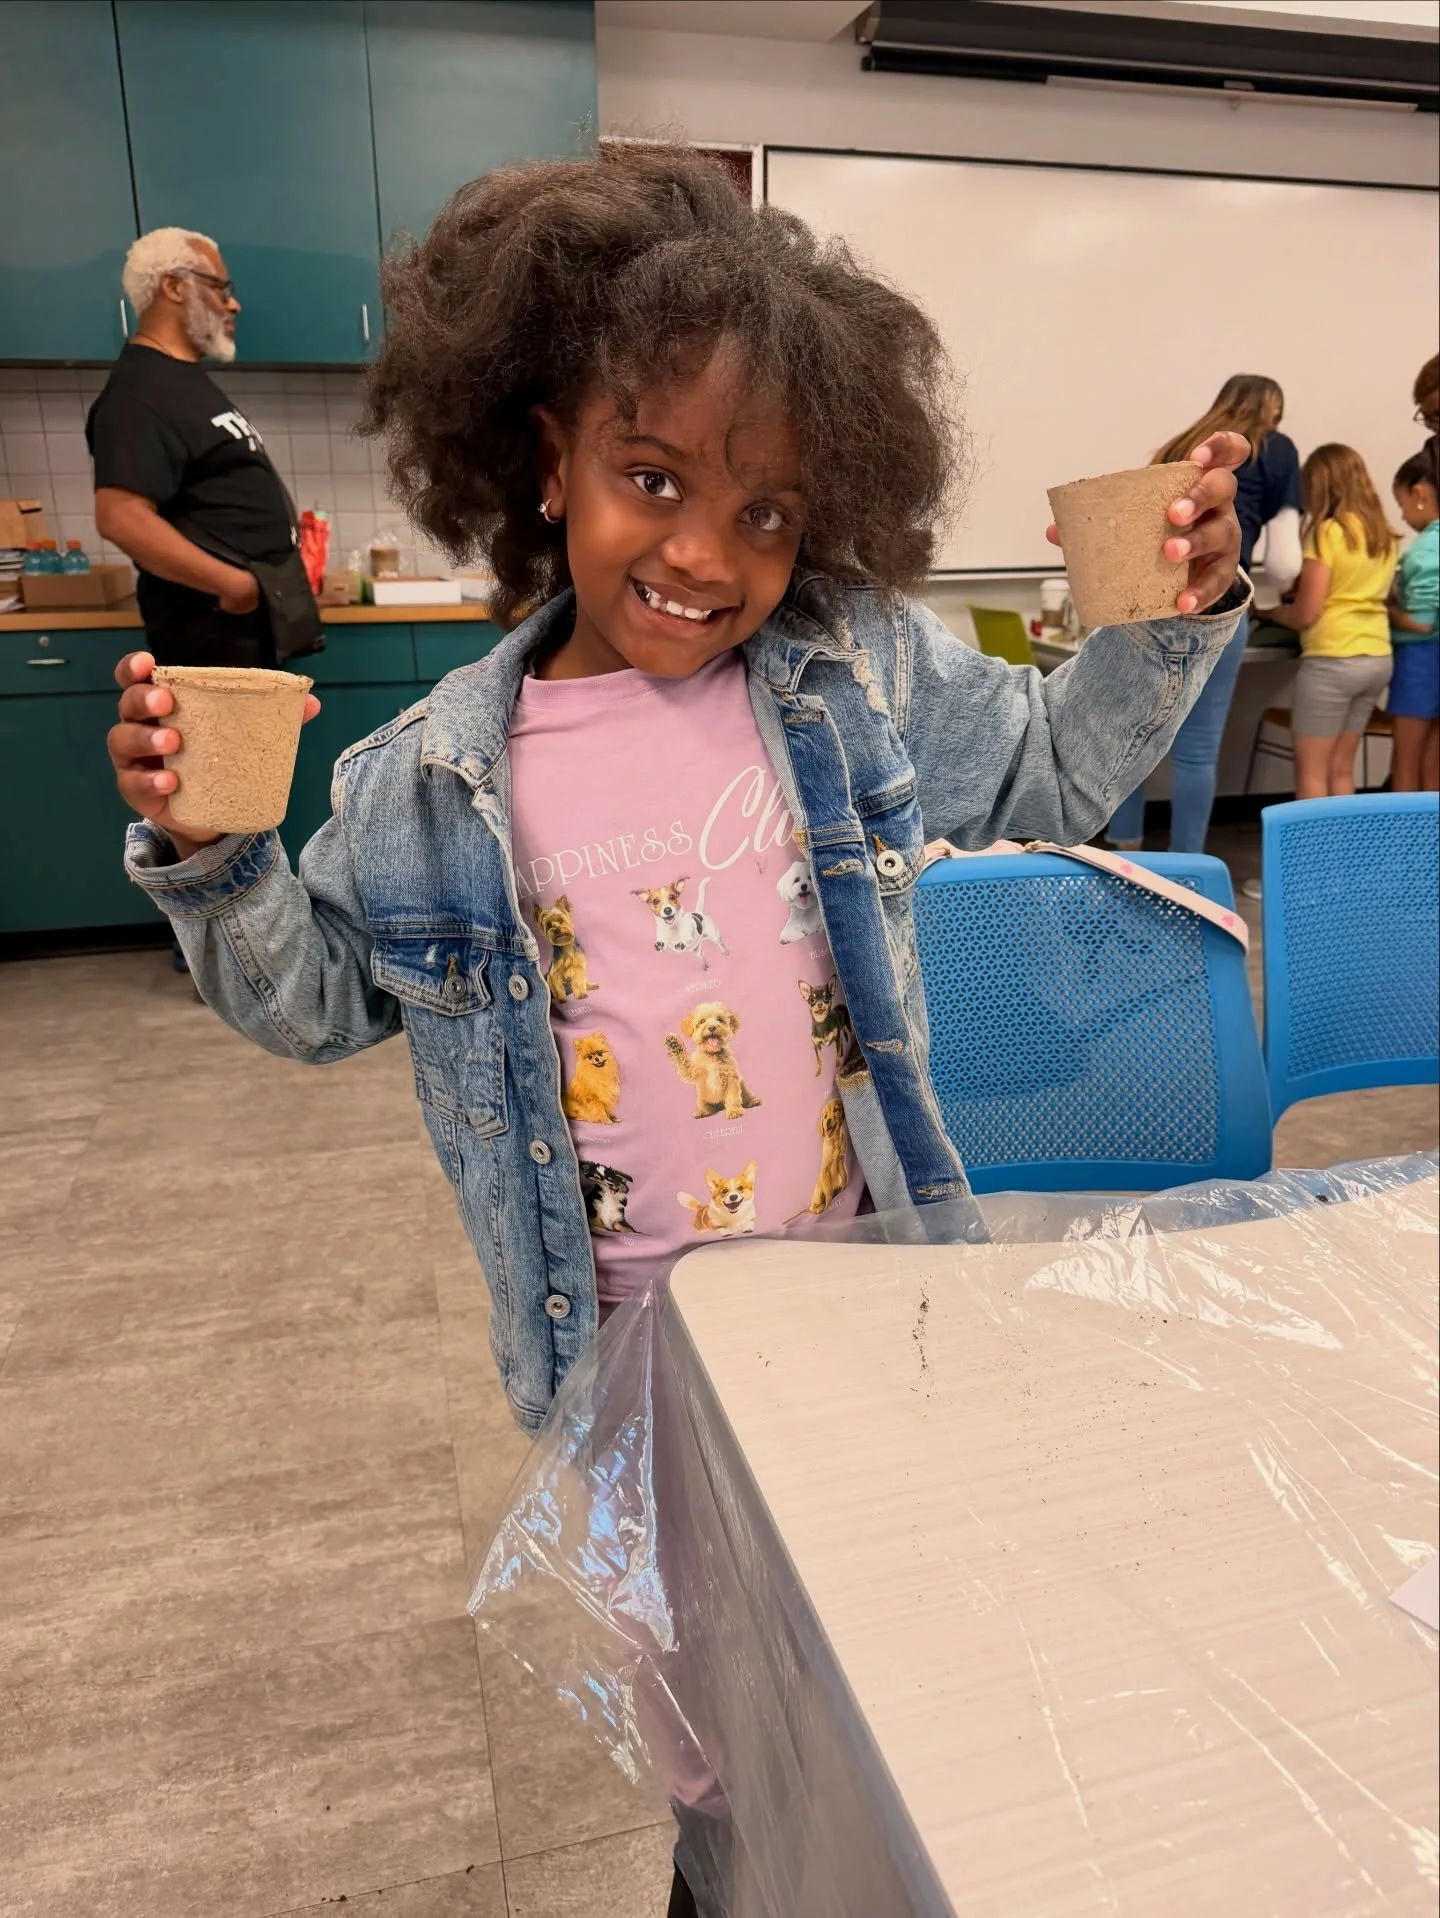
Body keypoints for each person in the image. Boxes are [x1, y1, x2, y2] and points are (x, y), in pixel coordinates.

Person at [104, 149, 1247, 1918]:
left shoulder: (850, 668)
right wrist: (207, 849)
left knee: (892, 1664)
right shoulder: (433, 779)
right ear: (546, 456)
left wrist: (1163, 623)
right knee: (725, 1755)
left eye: (770, 512)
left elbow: (1043, 767)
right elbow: (311, 990)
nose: (708, 554)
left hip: (875, 1297)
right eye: (653, 478)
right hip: (637, 1367)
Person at [86, 227, 321, 672]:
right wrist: (233, 585)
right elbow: (120, 515)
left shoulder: (182, 380)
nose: (233, 304)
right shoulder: (138, 391)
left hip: (245, 632)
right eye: (219, 287)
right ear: (172, 286)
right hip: (212, 636)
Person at [1105, 374, 1301, 853]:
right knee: (1198, 750)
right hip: (1217, 605)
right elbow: (1284, 562)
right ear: (1271, 407)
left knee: (1134, 740)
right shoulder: (1273, 448)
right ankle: (1186, 875)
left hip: (1147, 607)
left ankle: (1123, 857)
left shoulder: (1180, 445)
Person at [1257, 443, 1397, 801]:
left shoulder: (1326, 532)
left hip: (1334, 658)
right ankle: (1346, 856)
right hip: (1377, 656)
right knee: (1341, 768)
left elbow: (1307, 613)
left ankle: (1313, 858)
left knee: (1312, 773)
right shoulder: (1381, 534)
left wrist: (1271, 612)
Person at [1387, 451, 1439, 791]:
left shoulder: (1424, 550)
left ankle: (1401, 842)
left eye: (1401, 502)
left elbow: (1422, 623)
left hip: (1420, 661)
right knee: (1433, 764)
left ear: (1419, 492)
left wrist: (1383, 607)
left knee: (1406, 760)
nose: (1403, 515)